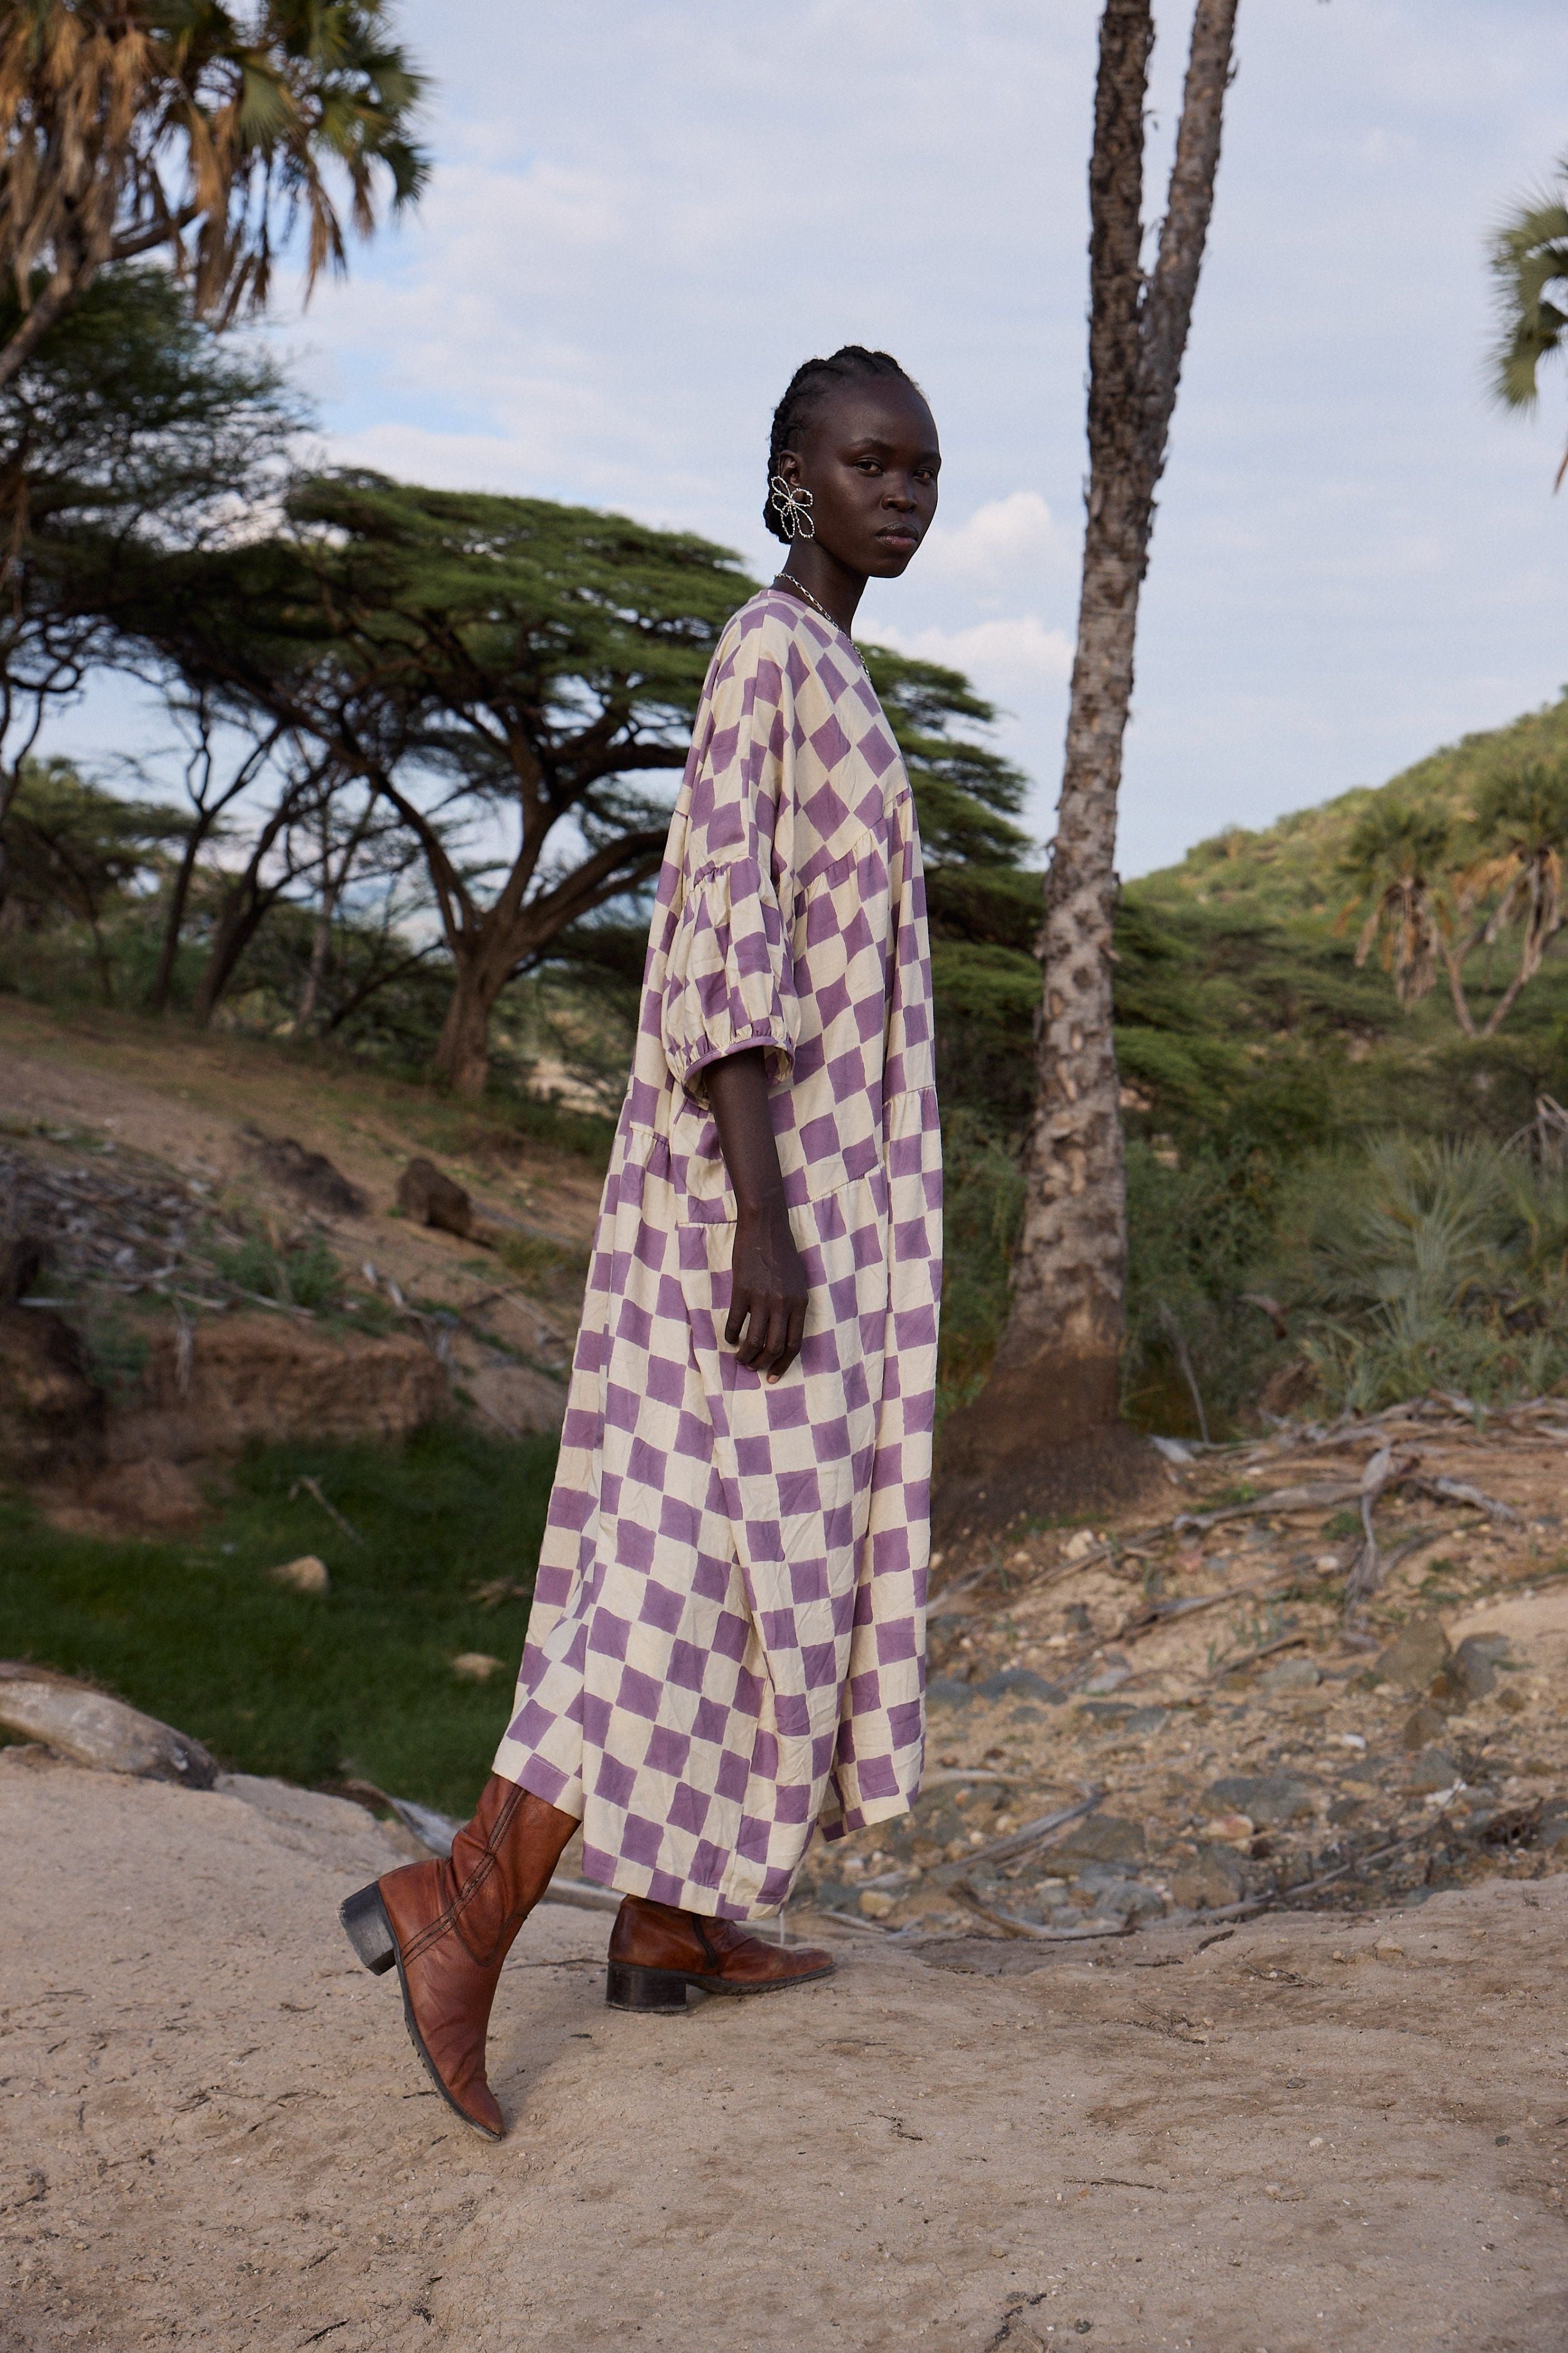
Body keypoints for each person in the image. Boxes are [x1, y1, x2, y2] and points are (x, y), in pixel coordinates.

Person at [340, 345, 944, 2139]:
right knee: (682, 1554)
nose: (902, 493)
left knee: (758, 1547)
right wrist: (762, 1213)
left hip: (823, 1196)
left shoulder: (830, 666)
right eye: (870, 463)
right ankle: (464, 1903)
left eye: (921, 468)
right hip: (754, 1198)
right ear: (794, 477)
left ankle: (670, 1920)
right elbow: (724, 947)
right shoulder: (768, 654)